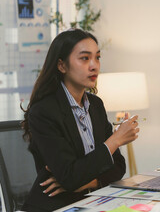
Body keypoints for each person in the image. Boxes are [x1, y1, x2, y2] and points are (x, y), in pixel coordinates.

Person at [21, 29, 140, 211]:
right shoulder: (44, 112)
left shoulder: (95, 104)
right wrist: (115, 140)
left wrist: (87, 182)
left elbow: (118, 167)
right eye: (85, 58)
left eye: (97, 58)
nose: (94, 66)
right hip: (56, 205)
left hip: (92, 200)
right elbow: (69, 177)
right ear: (62, 66)